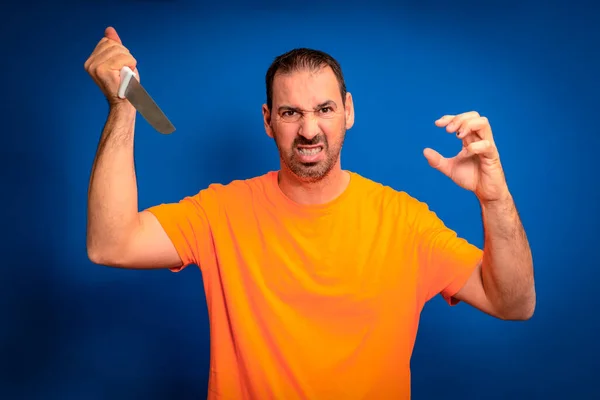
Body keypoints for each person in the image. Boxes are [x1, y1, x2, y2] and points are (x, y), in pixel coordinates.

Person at [84, 26, 536, 399]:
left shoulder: (404, 222)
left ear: (348, 111)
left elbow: (513, 303)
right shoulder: (220, 213)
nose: (309, 129)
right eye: (290, 112)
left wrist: (494, 197)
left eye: (324, 109)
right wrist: (125, 107)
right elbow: (111, 243)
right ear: (267, 120)